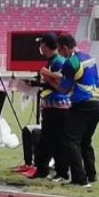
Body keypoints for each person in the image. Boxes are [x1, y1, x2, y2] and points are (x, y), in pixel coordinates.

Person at [51, 33, 99, 187]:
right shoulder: (89, 57)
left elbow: (64, 89)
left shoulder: (71, 63)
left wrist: (50, 79)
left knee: (70, 139)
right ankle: (91, 174)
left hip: (84, 105)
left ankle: (79, 179)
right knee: (85, 141)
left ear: (65, 48)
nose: (61, 56)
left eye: (61, 52)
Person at [30, 32, 70, 181]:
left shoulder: (57, 62)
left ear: (45, 45)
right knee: (46, 140)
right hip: (52, 107)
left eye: (41, 44)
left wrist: (43, 83)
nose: (40, 47)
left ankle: (61, 173)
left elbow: (61, 85)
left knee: (56, 141)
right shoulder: (53, 61)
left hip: (58, 107)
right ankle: (42, 170)